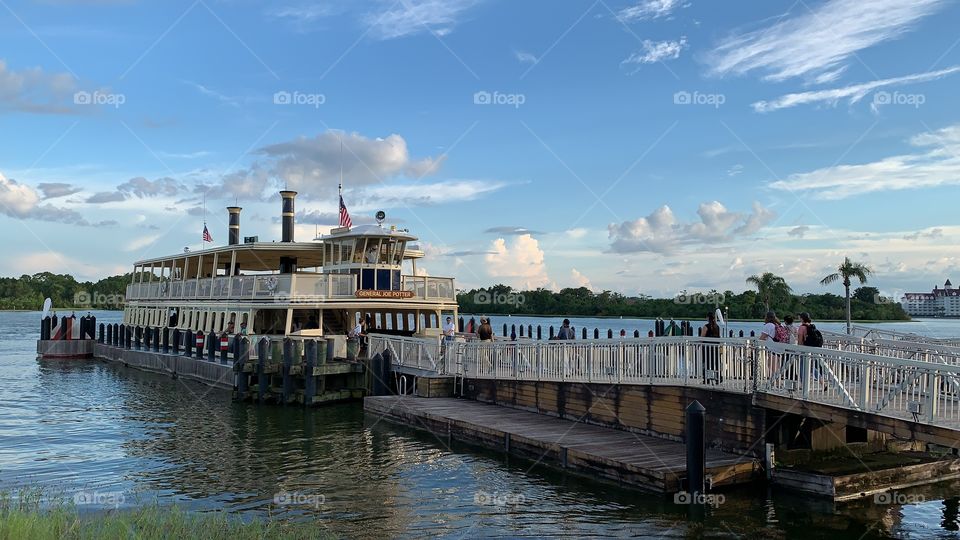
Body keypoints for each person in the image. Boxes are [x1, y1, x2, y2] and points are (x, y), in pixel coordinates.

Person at [700, 312, 722, 383]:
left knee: (706, 363)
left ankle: (707, 378)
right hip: (715, 348)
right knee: (715, 363)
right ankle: (718, 377)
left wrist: (699, 344)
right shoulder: (717, 327)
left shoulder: (706, 326)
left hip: (707, 348)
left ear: (708, 318)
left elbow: (702, 337)